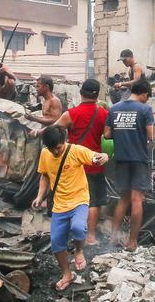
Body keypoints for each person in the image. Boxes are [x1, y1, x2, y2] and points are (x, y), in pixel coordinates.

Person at [32, 125, 108, 291]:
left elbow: (96, 157)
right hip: (59, 204)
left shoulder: (76, 151)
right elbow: (44, 176)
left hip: (79, 199)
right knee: (56, 243)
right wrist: (39, 196)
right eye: (51, 149)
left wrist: (104, 156)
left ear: (65, 141)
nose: (55, 152)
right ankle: (67, 274)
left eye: (58, 148)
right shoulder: (45, 154)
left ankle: (79, 251)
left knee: (78, 227)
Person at [47, 78, 109, 245]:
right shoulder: (104, 114)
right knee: (93, 202)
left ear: (81, 93)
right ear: (97, 95)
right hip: (94, 162)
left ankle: (69, 233)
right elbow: (108, 135)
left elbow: (53, 131)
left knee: (71, 199)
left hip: (74, 165)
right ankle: (91, 237)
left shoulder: (71, 114)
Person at [104, 79, 155, 251]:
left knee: (123, 198)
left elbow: (107, 134)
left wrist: (122, 131)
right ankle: (132, 242)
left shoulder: (114, 109)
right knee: (137, 199)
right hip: (140, 159)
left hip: (121, 158)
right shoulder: (145, 109)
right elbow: (151, 136)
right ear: (145, 94)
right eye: (147, 97)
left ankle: (113, 238)